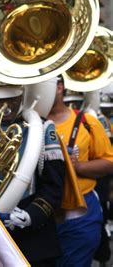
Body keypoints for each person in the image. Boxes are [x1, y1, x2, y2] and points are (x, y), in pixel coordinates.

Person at [0, 79, 65, 266]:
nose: (5, 106)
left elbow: (54, 186)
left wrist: (31, 215)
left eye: (12, 98)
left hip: (32, 238)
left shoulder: (42, 128)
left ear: (22, 95)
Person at [47, 77, 113, 266]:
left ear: (60, 87)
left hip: (80, 213)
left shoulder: (87, 122)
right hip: (41, 216)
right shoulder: (26, 125)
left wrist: (78, 167)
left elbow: (110, 161)